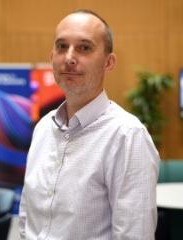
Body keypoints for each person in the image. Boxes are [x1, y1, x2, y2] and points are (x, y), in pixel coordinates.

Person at [19, 9, 160, 240]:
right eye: (62, 47)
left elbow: (135, 235)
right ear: (51, 56)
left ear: (108, 62)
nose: (69, 57)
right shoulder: (43, 128)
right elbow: (27, 217)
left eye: (84, 48)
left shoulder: (127, 136)